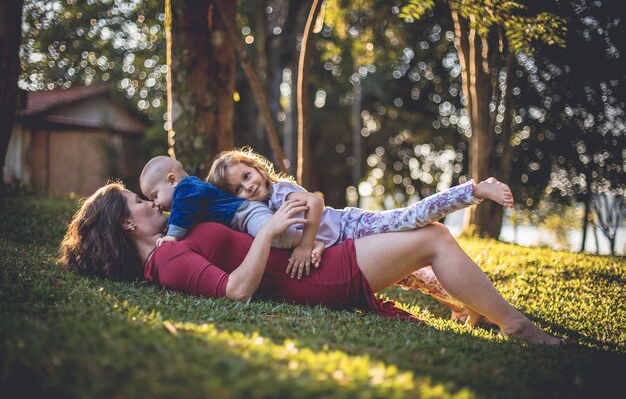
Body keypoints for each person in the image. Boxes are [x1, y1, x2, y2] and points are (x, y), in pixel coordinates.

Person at [59, 182, 563, 346]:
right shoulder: (166, 262)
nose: (149, 204)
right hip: (311, 279)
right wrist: (274, 234)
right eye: (137, 202)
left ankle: (491, 313)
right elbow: (235, 290)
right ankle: (514, 324)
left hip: (311, 264)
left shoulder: (173, 238)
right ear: (126, 225)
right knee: (431, 237)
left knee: (429, 238)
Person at [207, 148, 513, 280]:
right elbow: (303, 230)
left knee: (412, 217)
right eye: (236, 189)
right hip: (342, 239)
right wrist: (313, 244)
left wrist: (304, 245)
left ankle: (475, 190)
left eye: (247, 176)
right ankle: (464, 305)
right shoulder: (263, 208)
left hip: (351, 226)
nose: (247, 188)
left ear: (258, 168)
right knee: (412, 278)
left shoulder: (279, 191)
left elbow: (315, 202)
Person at [139, 155, 315, 251]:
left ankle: (312, 242)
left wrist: (173, 235)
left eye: (155, 195)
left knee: (270, 234)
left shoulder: (186, 189)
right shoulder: (186, 193)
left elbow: (182, 211)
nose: (155, 203)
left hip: (246, 212)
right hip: (242, 216)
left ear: (172, 180)